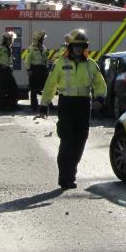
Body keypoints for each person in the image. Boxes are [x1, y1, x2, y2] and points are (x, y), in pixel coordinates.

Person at [37, 29, 107, 189]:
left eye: (81, 46)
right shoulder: (60, 63)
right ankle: (64, 177)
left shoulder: (91, 65)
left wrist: (100, 98)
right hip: (66, 105)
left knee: (80, 141)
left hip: (83, 105)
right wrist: (44, 104)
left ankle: (71, 174)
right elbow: (50, 84)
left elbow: (100, 84)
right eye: (75, 46)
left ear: (85, 48)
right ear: (70, 47)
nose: (77, 49)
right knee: (67, 141)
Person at [0, 31, 19, 111]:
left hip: (8, 71)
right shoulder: (1, 48)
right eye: (9, 40)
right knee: (4, 89)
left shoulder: (8, 49)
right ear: (5, 40)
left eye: (11, 40)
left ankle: (11, 106)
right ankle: (3, 106)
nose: (11, 41)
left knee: (12, 88)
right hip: (3, 71)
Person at [24, 31, 49, 112]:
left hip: (43, 69)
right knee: (34, 89)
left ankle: (47, 104)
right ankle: (34, 106)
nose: (43, 40)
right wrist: (28, 70)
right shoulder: (31, 48)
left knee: (46, 88)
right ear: (38, 39)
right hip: (35, 69)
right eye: (42, 39)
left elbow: (46, 60)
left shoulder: (44, 48)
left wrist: (47, 68)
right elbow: (27, 60)